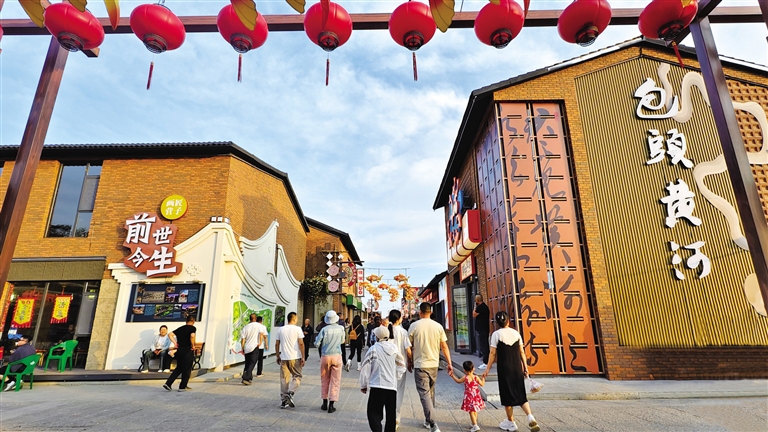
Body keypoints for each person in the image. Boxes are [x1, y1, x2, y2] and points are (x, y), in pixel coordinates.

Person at [482, 311, 540, 432]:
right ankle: (530, 416)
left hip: (504, 369)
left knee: (507, 395)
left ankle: (511, 422)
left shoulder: (496, 335)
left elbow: (492, 353)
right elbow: (522, 352)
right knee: (520, 393)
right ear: (508, 321)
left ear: (497, 323)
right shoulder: (516, 333)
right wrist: (525, 367)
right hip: (517, 367)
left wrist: (487, 369)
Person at [408, 302, 452, 432]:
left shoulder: (414, 326)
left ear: (420, 312)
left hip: (420, 364)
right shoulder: (438, 326)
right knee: (429, 392)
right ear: (431, 312)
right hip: (434, 364)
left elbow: (408, 346)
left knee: (424, 394)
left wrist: (410, 361)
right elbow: (444, 346)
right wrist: (449, 363)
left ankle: (432, 423)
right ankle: (428, 420)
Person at [359, 326, 406, 432]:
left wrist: (363, 384)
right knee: (391, 415)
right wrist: (396, 377)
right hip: (391, 387)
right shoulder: (394, 349)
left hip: (377, 385)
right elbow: (402, 366)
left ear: (377, 337)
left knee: (373, 413)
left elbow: (365, 368)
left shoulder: (373, 349)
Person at [315, 310, 345, 413]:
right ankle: (331, 405)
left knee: (324, 379)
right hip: (337, 355)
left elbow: (317, 343)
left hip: (325, 356)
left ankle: (324, 402)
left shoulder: (324, 329)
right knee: (335, 381)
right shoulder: (341, 328)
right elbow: (342, 341)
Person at [388, 309, 412, 428]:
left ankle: (390, 415)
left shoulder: (387, 331)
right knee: (399, 390)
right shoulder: (403, 332)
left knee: (389, 390)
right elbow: (408, 350)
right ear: (398, 319)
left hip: (388, 365)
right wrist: (411, 362)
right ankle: (396, 417)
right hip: (401, 365)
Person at [276, 312, 305, 409]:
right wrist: (303, 357)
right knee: (297, 376)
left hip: (284, 357)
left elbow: (277, 343)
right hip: (295, 357)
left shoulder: (281, 329)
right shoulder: (298, 329)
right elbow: (301, 343)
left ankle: (284, 401)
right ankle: (290, 393)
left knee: (284, 379)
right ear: (295, 319)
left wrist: (277, 355)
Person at [448, 360, 486, 432]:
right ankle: (474, 423)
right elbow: (482, 384)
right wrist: (483, 378)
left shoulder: (465, 378)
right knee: (475, 410)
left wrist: (452, 376)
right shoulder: (476, 377)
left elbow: (458, 381)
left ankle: (475, 426)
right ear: (473, 368)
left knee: (471, 411)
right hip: (476, 396)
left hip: (469, 397)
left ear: (464, 370)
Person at [163, 316, 196, 392]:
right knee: (187, 368)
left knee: (179, 367)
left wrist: (175, 343)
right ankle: (182, 386)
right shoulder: (192, 328)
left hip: (180, 350)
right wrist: (193, 345)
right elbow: (192, 335)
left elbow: (170, 334)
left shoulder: (180, 328)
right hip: (188, 350)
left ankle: (168, 383)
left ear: (186, 321)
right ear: (193, 321)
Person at [240, 314, 268, 384]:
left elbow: (243, 339)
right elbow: (261, 334)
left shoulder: (246, 327)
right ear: (255, 319)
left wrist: (242, 347)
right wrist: (260, 342)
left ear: (250, 319)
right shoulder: (259, 326)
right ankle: (246, 378)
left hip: (247, 347)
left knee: (247, 363)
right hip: (254, 347)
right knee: (252, 362)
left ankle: (249, 377)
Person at [473, 295, 491, 369]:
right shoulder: (485, 307)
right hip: (484, 329)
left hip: (482, 329)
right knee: (484, 344)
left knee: (484, 345)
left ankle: (486, 362)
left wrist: (475, 307)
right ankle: (487, 361)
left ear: (477, 300)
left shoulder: (481, 307)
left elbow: (474, 314)